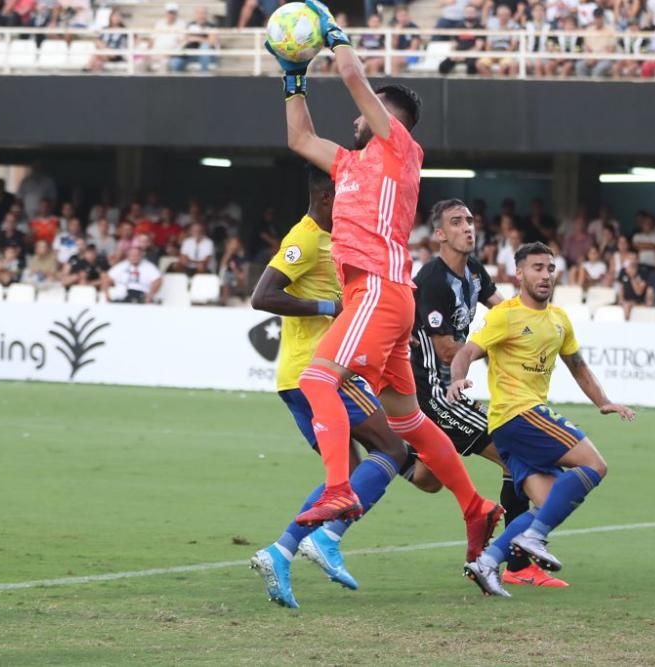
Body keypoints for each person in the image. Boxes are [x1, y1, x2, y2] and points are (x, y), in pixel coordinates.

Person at [268, 0, 502, 564]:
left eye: (365, 116)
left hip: (376, 288)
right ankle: (475, 507)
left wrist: (329, 29)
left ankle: (339, 490)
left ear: (387, 120)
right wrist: (293, 77)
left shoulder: (399, 149)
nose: (353, 122)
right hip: (381, 295)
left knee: (318, 380)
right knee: (409, 420)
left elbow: (351, 75)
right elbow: (300, 139)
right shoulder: (349, 166)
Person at [249, 167, 414, 608]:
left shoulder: (334, 240)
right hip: (321, 372)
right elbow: (262, 296)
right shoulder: (304, 238)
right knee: (394, 452)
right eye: (347, 198)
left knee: (343, 474)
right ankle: (327, 539)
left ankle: (280, 553)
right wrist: (331, 306)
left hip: (299, 379)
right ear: (326, 198)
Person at [448, 242, 635, 596]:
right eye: (536, 268)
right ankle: (534, 537)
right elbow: (468, 352)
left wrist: (604, 402)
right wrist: (457, 378)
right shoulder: (506, 315)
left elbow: (577, 366)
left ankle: (487, 562)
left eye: (549, 268)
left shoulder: (559, 319)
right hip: (518, 414)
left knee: (548, 504)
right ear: (518, 273)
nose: (545, 275)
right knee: (595, 465)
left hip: (515, 427)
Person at [409, 200, 567, 588]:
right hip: (434, 393)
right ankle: (516, 563)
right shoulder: (432, 279)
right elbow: (448, 350)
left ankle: (388, 448)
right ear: (440, 234)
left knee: (427, 478)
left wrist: (533, 328)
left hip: (452, 392)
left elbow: (506, 310)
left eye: (470, 221)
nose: (468, 228)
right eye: (457, 222)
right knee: (516, 455)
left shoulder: (475, 271)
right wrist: (501, 347)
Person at [617, 252, 649, 318]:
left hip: (638, 301)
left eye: (634, 259)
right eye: (630, 258)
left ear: (637, 260)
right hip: (625, 301)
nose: (632, 261)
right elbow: (621, 288)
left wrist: (632, 277)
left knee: (627, 306)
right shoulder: (623, 271)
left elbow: (639, 292)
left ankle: (626, 324)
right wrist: (621, 300)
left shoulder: (643, 271)